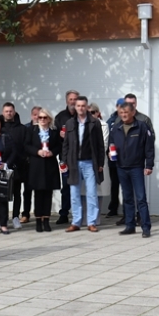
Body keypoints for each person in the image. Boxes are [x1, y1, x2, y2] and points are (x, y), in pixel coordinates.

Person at [108, 100, 155, 237]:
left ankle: (146, 227)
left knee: (141, 198)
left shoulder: (142, 126)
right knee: (127, 198)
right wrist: (110, 155)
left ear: (133, 112)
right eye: (121, 113)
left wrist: (149, 165)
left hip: (137, 167)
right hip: (121, 167)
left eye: (126, 112)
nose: (123, 115)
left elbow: (149, 148)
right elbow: (111, 145)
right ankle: (130, 225)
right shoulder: (116, 128)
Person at [61, 96, 105, 232]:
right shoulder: (69, 123)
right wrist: (63, 161)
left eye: (83, 106)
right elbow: (66, 144)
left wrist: (100, 163)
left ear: (87, 107)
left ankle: (91, 222)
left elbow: (100, 145)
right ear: (75, 107)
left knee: (91, 193)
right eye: (78, 105)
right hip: (74, 163)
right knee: (74, 193)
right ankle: (76, 222)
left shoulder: (94, 122)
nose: (80, 108)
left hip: (90, 163)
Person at [25, 109, 62, 232]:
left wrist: (53, 152)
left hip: (49, 164)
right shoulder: (32, 130)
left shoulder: (54, 132)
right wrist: (37, 151)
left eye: (45, 117)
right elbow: (26, 146)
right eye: (40, 117)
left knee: (48, 193)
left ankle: (46, 220)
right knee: (38, 193)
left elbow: (59, 146)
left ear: (49, 119)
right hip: (36, 165)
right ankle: (38, 220)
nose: (42, 120)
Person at [54, 90, 79, 225]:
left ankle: (79, 215)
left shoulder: (82, 116)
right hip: (65, 158)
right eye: (71, 99)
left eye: (75, 99)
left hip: (81, 157)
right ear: (66, 101)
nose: (73, 102)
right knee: (66, 187)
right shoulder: (60, 118)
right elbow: (55, 139)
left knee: (81, 187)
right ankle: (64, 213)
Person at [0, 103, 27, 228]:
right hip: (3, 165)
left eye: (11, 111)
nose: (9, 113)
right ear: (3, 113)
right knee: (3, 193)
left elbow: (25, 146)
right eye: (6, 111)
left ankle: (16, 217)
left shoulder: (22, 128)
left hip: (19, 165)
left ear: (14, 112)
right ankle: (3, 219)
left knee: (17, 192)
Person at [104, 100, 122, 218]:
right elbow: (106, 139)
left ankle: (128, 209)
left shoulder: (130, 119)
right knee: (114, 184)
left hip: (126, 159)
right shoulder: (110, 121)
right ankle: (113, 208)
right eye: (119, 106)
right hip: (113, 159)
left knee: (127, 185)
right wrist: (108, 153)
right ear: (116, 107)